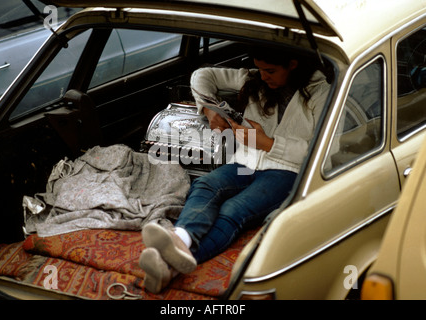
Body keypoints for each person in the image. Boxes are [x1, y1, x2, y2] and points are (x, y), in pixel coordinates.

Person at [139, 48, 331, 293]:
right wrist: (208, 108)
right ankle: (180, 240)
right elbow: (202, 75)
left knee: (234, 209)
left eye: (270, 71)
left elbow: (326, 149)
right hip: (243, 164)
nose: (262, 77)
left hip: (285, 171)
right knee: (205, 184)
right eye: (259, 69)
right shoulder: (252, 78)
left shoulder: (320, 91)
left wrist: (267, 143)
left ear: (292, 64)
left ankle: (170, 265)